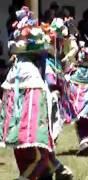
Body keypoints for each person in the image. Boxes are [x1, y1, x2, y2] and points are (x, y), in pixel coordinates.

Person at [0, 6, 72, 179]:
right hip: (26, 82)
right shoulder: (26, 57)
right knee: (33, 138)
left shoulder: (40, 54)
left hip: (26, 80)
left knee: (35, 138)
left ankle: (53, 167)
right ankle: (52, 168)